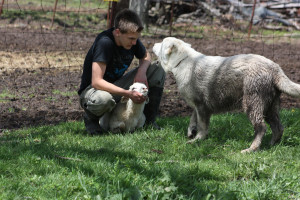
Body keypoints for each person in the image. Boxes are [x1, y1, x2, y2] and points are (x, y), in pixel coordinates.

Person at [78, 9, 165, 135]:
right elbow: (97, 82)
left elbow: (146, 56)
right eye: (131, 39)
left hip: (116, 86)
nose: (134, 42)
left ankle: (149, 121)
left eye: (136, 39)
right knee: (104, 99)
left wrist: (142, 70)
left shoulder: (131, 39)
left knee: (158, 68)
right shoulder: (105, 43)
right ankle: (91, 119)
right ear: (118, 32)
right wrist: (128, 94)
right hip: (93, 91)